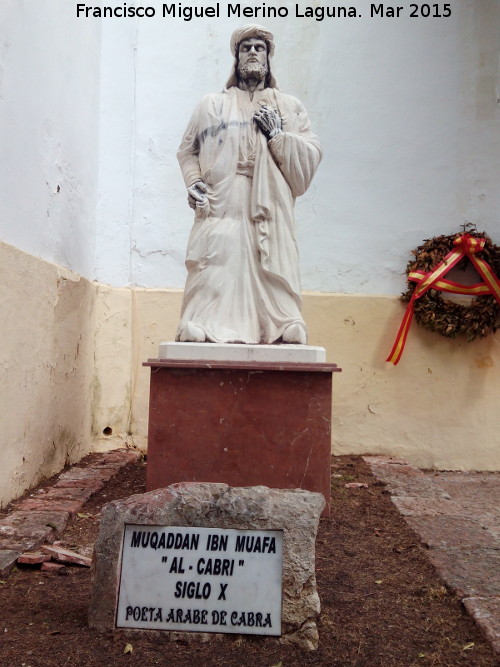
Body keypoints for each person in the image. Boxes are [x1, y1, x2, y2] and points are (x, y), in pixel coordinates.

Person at [176, 24, 322, 344]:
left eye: (259, 48)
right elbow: (187, 152)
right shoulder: (211, 105)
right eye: (246, 48)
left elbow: (310, 156)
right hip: (221, 197)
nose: (253, 52)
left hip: (269, 200)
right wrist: (194, 181)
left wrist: (278, 136)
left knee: (269, 253)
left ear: (269, 58)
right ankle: (201, 321)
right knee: (215, 257)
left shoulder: (289, 107)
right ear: (236, 58)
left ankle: (282, 323)